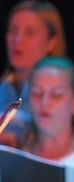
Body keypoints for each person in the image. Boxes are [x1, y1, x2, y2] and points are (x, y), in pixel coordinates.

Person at [0, 0, 65, 148]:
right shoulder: (4, 87)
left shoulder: (65, 93)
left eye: (29, 33)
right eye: (13, 31)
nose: (17, 40)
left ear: (51, 42)